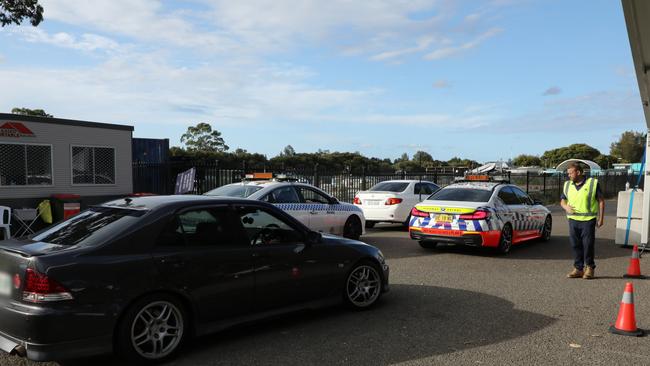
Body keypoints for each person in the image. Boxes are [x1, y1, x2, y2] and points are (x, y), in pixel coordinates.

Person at [560, 162, 605, 279]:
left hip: (588, 220)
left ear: (578, 172)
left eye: (570, 173)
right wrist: (566, 207)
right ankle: (578, 268)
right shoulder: (567, 185)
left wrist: (601, 218)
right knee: (575, 245)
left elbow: (601, 201)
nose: (568, 175)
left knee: (588, 245)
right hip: (573, 220)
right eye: (568, 173)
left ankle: (589, 267)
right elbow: (562, 201)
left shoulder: (592, 183)